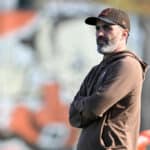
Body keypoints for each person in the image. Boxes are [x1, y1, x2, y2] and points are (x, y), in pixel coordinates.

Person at [69, 8, 149, 150]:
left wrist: (82, 105)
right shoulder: (96, 70)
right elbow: (73, 116)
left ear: (124, 34)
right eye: (98, 28)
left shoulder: (128, 65)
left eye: (107, 28)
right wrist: (84, 107)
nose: (100, 33)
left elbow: (95, 107)